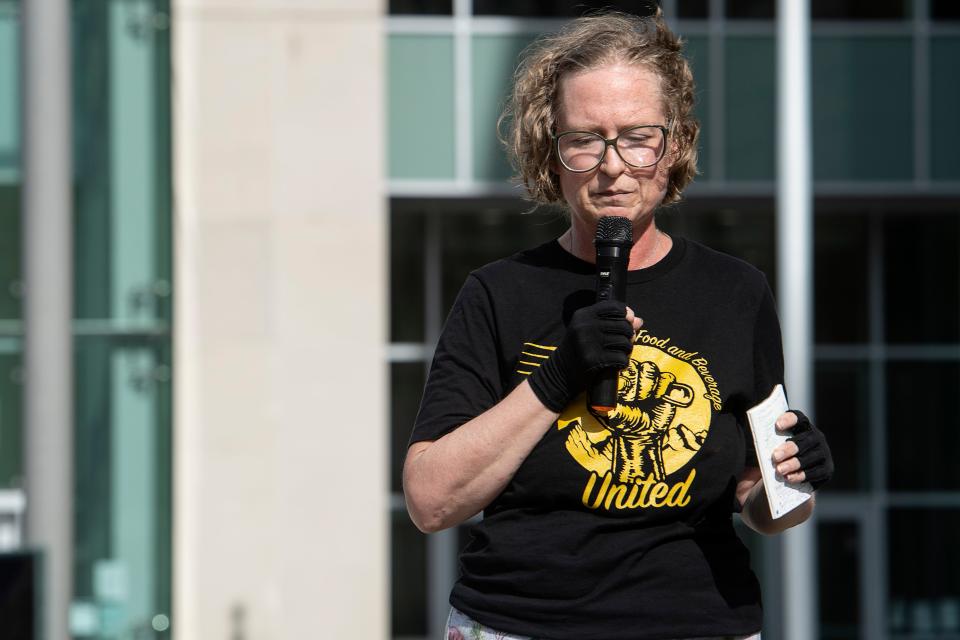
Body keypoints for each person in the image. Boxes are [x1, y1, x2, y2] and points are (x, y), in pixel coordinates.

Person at [403, 9, 834, 640]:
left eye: (637, 136)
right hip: (521, 624)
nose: (612, 165)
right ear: (551, 154)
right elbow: (430, 500)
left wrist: (792, 476)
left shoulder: (736, 293)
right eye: (585, 138)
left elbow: (765, 504)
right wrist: (557, 379)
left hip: (697, 623)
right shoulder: (498, 294)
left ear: (676, 144)